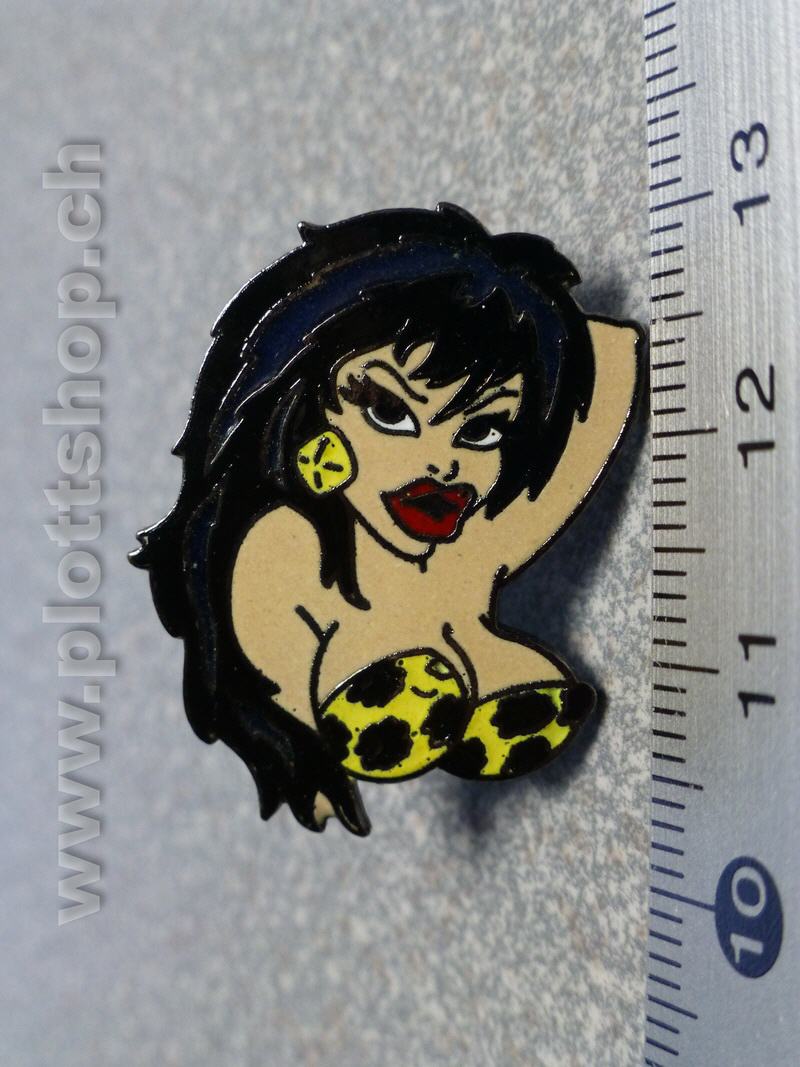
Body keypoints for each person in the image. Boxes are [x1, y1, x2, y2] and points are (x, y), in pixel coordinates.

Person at [132, 204, 642, 836]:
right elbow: (263, 655)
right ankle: (382, 682)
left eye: (483, 431)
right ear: (310, 407)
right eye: (391, 413)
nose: (443, 462)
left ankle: (472, 674)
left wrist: (536, 317)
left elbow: (609, 366)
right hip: (332, 674)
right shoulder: (280, 540)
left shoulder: (477, 528)